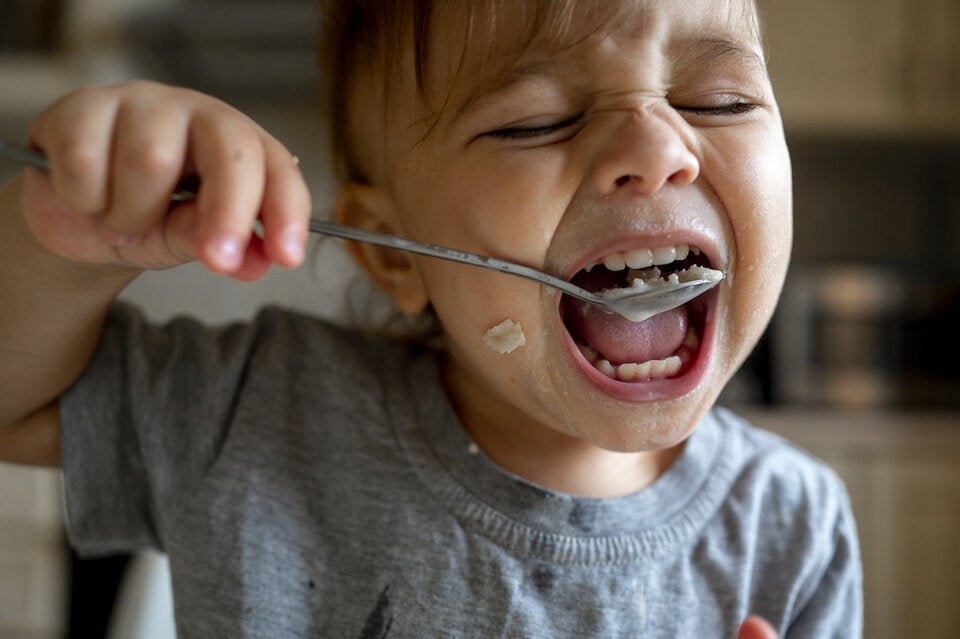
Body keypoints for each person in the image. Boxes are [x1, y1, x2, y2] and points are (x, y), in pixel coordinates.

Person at [0, 0, 862, 636]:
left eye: (721, 100)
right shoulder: (261, 415)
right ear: (394, 252)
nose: (659, 149)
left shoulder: (793, 529)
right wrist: (64, 242)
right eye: (538, 120)